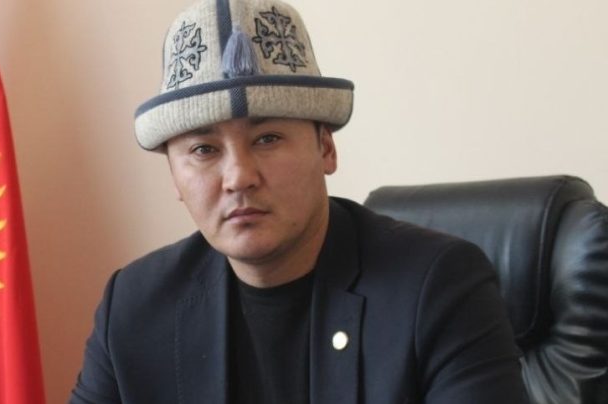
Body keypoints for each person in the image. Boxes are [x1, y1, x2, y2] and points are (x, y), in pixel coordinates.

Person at [70, 0, 529, 402]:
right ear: (174, 175)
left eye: (268, 138)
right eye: (204, 150)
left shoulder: (439, 287)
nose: (239, 177)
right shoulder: (134, 304)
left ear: (325, 149)